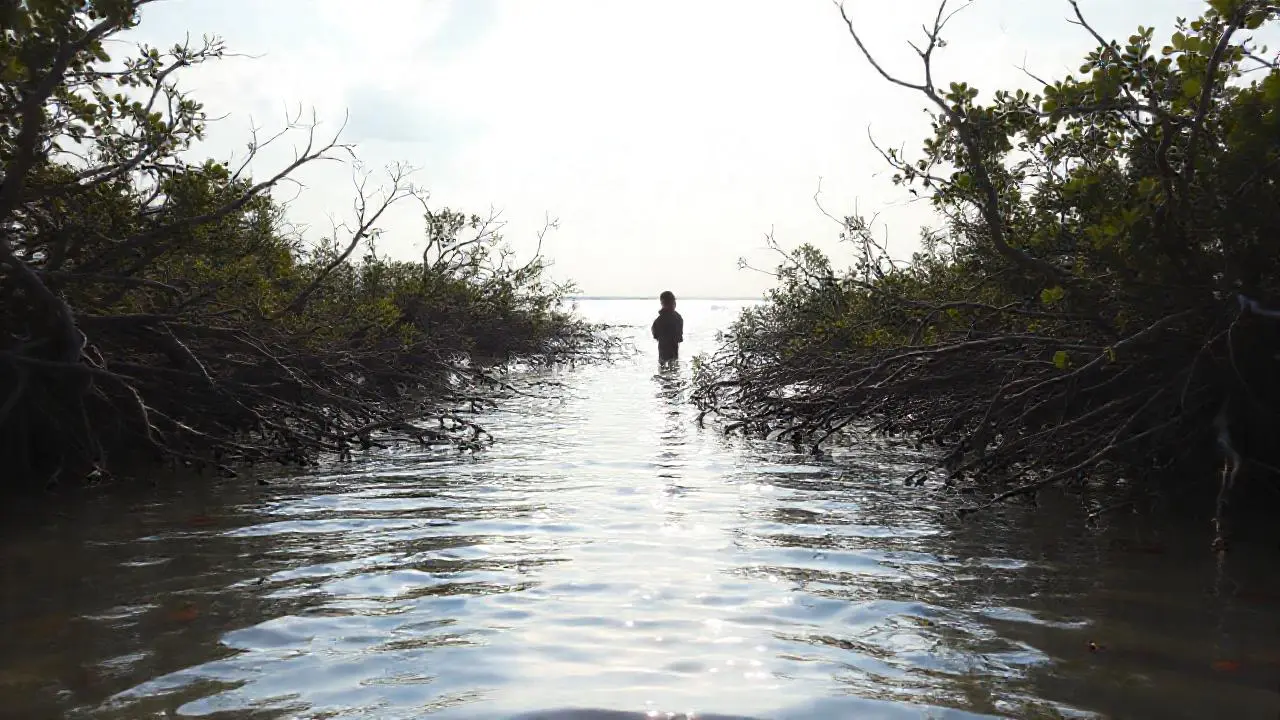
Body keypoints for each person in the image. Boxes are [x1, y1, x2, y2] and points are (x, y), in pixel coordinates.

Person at [651, 290, 683, 363]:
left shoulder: (659, 320)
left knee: (664, 370)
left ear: (662, 303)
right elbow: (680, 338)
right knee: (673, 368)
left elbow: (655, 335)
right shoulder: (678, 317)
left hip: (664, 352)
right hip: (672, 352)